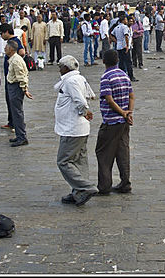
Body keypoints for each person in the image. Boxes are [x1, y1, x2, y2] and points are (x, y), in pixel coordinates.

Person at [53, 55, 98, 206]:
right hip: (78, 128)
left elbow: (80, 100)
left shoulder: (71, 81)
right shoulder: (78, 79)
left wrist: (86, 111)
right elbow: (90, 94)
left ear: (66, 68)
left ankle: (85, 187)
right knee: (79, 160)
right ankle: (78, 192)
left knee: (63, 161)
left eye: (60, 67)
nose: (59, 70)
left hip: (72, 128)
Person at [95, 49, 134, 196]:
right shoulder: (124, 75)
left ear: (103, 61)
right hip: (123, 121)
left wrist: (122, 112)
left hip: (111, 121)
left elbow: (109, 100)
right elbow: (131, 96)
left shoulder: (106, 77)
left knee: (103, 153)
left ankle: (104, 185)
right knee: (122, 151)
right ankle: (125, 182)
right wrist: (128, 112)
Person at [6, 40, 33, 147]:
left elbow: (21, 76)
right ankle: (19, 134)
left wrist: (25, 89)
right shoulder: (14, 59)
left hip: (16, 87)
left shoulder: (16, 61)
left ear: (11, 49)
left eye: (7, 47)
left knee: (17, 113)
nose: (5, 49)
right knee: (15, 112)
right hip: (13, 86)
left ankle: (21, 137)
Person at [110, 12, 134, 80]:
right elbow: (126, 36)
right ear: (123, 20)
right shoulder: (124, 27)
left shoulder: (116, 27)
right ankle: (130, 76)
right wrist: (127, 45)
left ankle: (121, 75)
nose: (127, 21)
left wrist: (116, 41)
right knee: (128, 62)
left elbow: (111, 35)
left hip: (119, 46)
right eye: (126, 20)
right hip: (124, 46)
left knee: (121, 62)